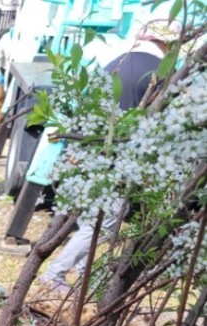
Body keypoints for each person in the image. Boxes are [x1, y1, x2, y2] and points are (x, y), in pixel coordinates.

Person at [39, 19, 182, 293]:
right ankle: (55, 274)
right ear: (167, 43)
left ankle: (81, 275)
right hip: (117, 161)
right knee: (106, 222)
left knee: (93, 217)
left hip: (85, 152)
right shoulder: (161, 72)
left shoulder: (117, 61)